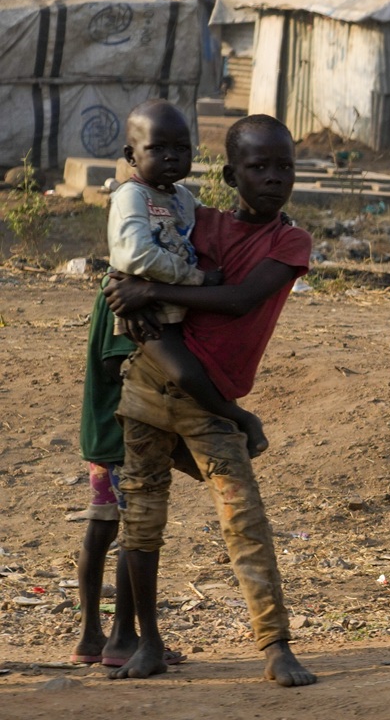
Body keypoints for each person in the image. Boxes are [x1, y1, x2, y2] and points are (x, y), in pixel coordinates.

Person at [102, 114, 316, 686]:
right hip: (150, 385)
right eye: (258, 167)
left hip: (212, 400)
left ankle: (275, 645)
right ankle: (147, 643)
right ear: (230, 173)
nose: (273, 178)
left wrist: (150, 290)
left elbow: (242, 299)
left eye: (284, 167)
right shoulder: (199, 223)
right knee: (142, 522)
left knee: (244, 519)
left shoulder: (290, 240)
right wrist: (138, 290)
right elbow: (139, 268)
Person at [108, 99, 267, 456]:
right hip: (143, 308)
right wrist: (196, 279)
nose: (171, 157)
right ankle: (240, 418)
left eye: (181, 148)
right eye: (157, 148)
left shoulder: (180, 196)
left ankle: (181, 447)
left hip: (172, 302)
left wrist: (271, 219)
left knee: (185, 376)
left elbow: (213, 224)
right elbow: (135, 255)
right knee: (183, 374)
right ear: (131, 155)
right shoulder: (130, 196)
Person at [71, 288, 198, 669]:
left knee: (104, 521)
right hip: (124, 430)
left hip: (106, 430)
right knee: (136, 527)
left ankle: (92, 635)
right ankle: (123, 637)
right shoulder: (124, 293)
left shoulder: (114, 285)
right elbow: (117, 363)